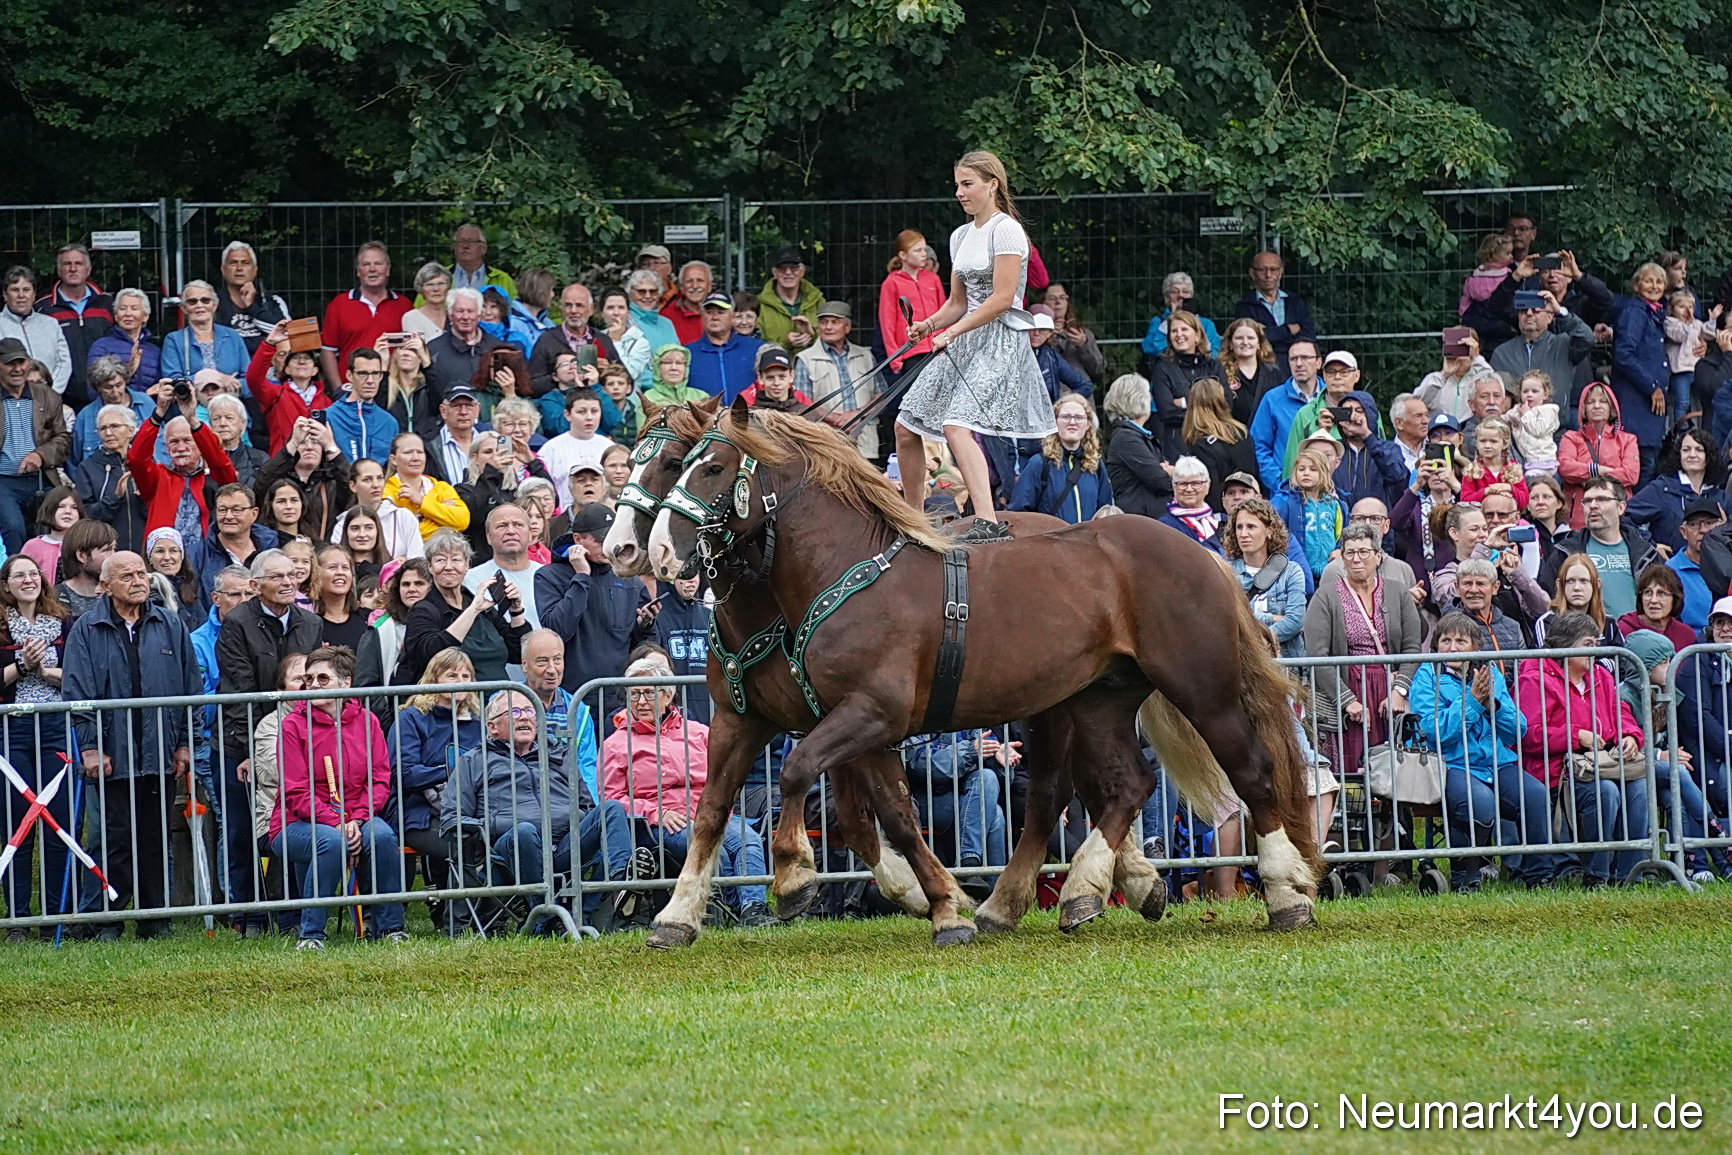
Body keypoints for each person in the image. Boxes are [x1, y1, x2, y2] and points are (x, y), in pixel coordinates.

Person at [894, 152, 1056, 541]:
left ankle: (986, 520)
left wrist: (952, 332)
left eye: (967, 184)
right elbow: (957, 302)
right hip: (965, 335)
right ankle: (914, 520)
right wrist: (928, 325)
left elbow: (1002, 298)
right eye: (958, 184)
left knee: (955, 425)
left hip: (1001, 341)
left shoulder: (1008, 230)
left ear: (992, 184)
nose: (959, 192)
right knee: (904, 427)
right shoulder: (960, 235)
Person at [62, 551, 199, 939]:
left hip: (159, 752)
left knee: (155, 837)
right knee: (114, 838)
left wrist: (185, 743)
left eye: (142, 573)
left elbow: (189, 686)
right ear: (105, 586)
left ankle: (155, 920)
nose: (139, 580)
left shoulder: (169, 623)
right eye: (127, 575)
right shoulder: (87, 628)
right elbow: (78, 692)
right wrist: (90, 747)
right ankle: (105, 918)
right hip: (112, 752)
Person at [602, 655, 775, 926]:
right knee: (710, 850)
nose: (642, 701)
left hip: (710, 813)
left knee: (747, 839)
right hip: (663, 823)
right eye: (634, 694)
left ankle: (754, 910)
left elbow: (723, 777)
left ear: (668, 695)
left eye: (650, 692)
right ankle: (729, 912)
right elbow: (611, 800)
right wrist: (654, 811)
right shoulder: (616, 744)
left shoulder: (699, 733)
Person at [446, 687, 634, 929]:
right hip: (508, 853)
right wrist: (493, 824)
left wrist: (573, 818)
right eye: (514, 711)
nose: (524, 717)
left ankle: (619, 888)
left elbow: (587, 804)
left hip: (565, 846)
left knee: (611, 809)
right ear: (492, 726)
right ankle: (545, 920)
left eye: (529, 711)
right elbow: (452, 818)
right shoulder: (473, 761)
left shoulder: (558, 755)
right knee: (524, 830)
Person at [212, 548, 323, 933]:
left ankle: (294, 914)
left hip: (301, 740)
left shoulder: (311, 623)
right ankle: (248, 915)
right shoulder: (237, 623)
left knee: (295, 824)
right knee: (245, 831)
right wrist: (247, 752)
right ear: (256, 586)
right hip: (238, 742)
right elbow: (238, 689)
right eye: (278, 577)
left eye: (292, 574)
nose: (288, 581)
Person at [270, 644, 406, 948]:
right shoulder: (292, 725)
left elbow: (380, 779)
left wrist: (356, 819)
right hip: (297, 823)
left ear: (345, 683)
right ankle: (311, 934)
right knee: (330, 842)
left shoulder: (367, 722)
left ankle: (390, 928)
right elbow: (296, 791)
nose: (313, 685)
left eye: (322, 679)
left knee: (383, 836)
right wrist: (337, 822)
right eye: (308, 679)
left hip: (356, 816)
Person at [1408, 611, 1556, 891]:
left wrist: (1494, 706)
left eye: (1461, 641)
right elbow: (1434, 733)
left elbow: (1518, 730)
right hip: (1453, 765)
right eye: (1446, 640)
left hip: (1498, 764)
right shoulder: (1427, 676)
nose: (1452, 647)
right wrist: (1473, 702)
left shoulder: (1492, 674)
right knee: (1480, 803)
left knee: (1535, 797)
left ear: (1476, 647)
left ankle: (1538, 876)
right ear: (1435, 645)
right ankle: (1466, 880)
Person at [1517, 612, 1650, 888]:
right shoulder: (1534, 678)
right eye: (1588, 644)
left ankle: (1629, 873)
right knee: (1606, 791)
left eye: (1596, 643)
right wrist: (1575, 736)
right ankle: (1596, 874)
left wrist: (1630, 736)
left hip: (1603, 763)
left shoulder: (1600, 675)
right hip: (1558, 770)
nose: (1596, 650)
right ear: (1565, 645)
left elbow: (1621, 713)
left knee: (1639, 784)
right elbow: (1529, 735)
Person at [1303, 522, 1423, 778]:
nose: (1356, 559)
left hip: (1388, 692)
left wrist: (1399, 691)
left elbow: (1412, 646)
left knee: (1392, 766)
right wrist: (1347, 701)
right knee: (1350, 767)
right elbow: (1317, 655)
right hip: (1347, 688)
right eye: (1350, 553)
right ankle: (1351, 817)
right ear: (1342, 558)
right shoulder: (1325, 596)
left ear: (1378, 556)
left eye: (1364, 552)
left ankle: (1392, 818)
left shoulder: (1398, 592)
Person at [0, 555, 72, 931]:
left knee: (58, 821)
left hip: (55, 726)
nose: (28, 580)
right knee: (17, 824)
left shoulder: (62, 621)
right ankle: (17, 918)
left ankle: (53, 916)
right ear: (6, 584)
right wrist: (22, 667)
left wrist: (46, 671)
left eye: (33, 573)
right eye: (19, 575)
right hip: (11, 730)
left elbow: (76, 677)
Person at [385, 646, 483, 905]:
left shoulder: (478, 723)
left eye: (465, 676)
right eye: (451, 675)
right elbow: (402, 774)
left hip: (470, 808)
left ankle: (484, 917)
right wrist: (451, 771)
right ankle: (457, 920)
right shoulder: (411, 718)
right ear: (434, 678)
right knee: (465, 846)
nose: (459, 682)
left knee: (495, 839)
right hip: (416, 812)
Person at [535, 504, 656, 695]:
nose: (609, 546)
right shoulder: (548, 576)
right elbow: (556, 630)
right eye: (600, 540)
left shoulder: (630, 580)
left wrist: (645, 625)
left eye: (612, 537)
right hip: (573, 698)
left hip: (621, 699)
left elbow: (647, 645)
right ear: (577, 539)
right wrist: (582, 577)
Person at [400, 529, 529, 685]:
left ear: (467, 565)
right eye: (440, 560)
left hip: (498, 701)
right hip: (455, 703)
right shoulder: (423, 610)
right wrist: (473, 610)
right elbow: (429, 654)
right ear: (430, 567)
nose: (449, 567)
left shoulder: (481, 607)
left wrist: (516, 611)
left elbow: (517, 653)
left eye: (455, 560)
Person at [1539, 476, 1661, 618]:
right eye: (1588, 501)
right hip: (1588, 636)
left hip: (1639, 636)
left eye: (1602, 499)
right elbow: (1548, 603)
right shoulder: (1565, 553)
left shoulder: (1646, 553)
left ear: (1621, 507)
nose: (1593, 506)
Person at [126, 381, 235, 541]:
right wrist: (159, 413)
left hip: (207, 557)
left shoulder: (213, 478)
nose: (181, 448)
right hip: (164, 558)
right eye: (174, 442)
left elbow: (221, 464)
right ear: (167, 447)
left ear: (199, 443)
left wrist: (193, 420)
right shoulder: (158, 477)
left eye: (187, 440)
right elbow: (136, 460)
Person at [0, 338, 72, 554]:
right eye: (10, 363)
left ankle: (59, 577)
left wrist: (40, 455)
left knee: (61, 522)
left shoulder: (47, 396)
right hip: (4, 481)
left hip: (42, 478)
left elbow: (63, 439)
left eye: (21, 362)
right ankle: (14, 579)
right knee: (13, 527)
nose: (17, 368)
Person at [319, 242, 414, 394]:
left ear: (387, 270)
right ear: (358, 271)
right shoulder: (339, 304)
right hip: (351, 391)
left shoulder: (404, 306)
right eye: (366, 264)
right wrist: (338, 389)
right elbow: (328, 351)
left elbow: (412, 350)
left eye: (378, 263)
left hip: (393, 391)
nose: (372, 269)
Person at [1608, 262, 1671, 483]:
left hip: (1649, 406)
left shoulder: (1658, 314)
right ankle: (1635, 515)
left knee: (1649, 463)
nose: (1654, 286)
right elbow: (1623, 355)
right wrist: (1652, 386)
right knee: (1641, 464)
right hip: (1636, 402)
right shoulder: (1634, 312)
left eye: (1659, 281)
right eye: (1648, 280)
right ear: (1636, 285)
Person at [1008, 393, 1113, 524]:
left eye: (1079, 417)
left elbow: (1106, 515)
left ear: (1088, 424)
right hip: (1051, 543)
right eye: (1065, 417)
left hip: (1087, 544)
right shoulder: (1040, 464)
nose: (1072, 422)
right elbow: (1018, 515)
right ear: (1055, 422)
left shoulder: (1095, 467)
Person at [1223, 497, 1306, 657]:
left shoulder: (1291, 571)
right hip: (1245, 667)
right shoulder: (1227, 573)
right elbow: (1228, 621)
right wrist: (1272, 618)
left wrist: (1260, 637)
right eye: (1239, 527)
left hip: (1287, 667)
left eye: (1251, 527)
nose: (1243, 534)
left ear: (1269, 531)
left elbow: (1296, 621)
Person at [795, 302, 880, 457]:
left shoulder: (865, 356)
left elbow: (881, 396)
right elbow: (801, 404)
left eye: (835, 322)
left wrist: (858, 414)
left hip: (865, 441)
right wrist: (834, 419)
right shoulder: (805, 359)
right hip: (825, 443)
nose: (828, 327)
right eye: (823, 322)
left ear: (847, 327)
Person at [1486, 286, 1594, 408]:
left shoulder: (1563, 345)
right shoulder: (1501, 353)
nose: (1529, 314)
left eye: (1536, 310)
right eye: (1523, 310)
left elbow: (1587, 338)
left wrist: (1560, 311)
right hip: (1515, 423)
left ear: (1549, 317)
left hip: (1556, 424)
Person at [31, 243, 112, 401]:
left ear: (88, 270)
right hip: (61, 397)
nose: (73, 269)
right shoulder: (43, 308)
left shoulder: (107, 303)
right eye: (67, 264)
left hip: (105, 393)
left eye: (79, 264)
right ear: (59, 270)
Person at [1626, 426, 1727, 552]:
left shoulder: (1721, 497)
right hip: (1668, 567)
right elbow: (1623, 517)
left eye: (1699, 450)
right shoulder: (1661, 489)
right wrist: (1649, 545)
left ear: (1709, 456)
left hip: (1713, 569)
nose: (1692, 455)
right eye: (1686, 450)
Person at [254, 417, 351, 541]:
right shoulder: (279, 481)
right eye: (303, 442)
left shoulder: (332, 482)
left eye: (316, 442)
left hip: (324, 553)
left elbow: (352, 488)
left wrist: (330, 445)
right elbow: (261, 484)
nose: (309, 447)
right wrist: (293, 442)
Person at [1557, 384, 1640, 528]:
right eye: (1590, 402)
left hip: (1617, 517)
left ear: (1612, 407)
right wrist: (1600, 470)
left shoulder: (1627, 439)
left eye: (1603, 401)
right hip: (1579, 517)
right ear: (1583, 408)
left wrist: (1587, 475)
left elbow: (1631, 474)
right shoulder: (1570, 437)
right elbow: (1565, 468)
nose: (1596, 406)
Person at [1248, 338, 1322, 493]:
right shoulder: (1273, 399)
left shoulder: (1331, 398)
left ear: (1319, 363)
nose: (1299, 363)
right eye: (1294, 359)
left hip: (1328, 489)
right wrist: (1280, 481)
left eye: (1306, 358)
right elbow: (1258, 446)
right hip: (1287, 492)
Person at [72, 403, 146, 555]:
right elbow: (85, 515)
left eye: (114, 426)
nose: (108, 432)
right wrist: (114, 497)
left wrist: (145, 498)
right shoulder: (88, 468)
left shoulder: (145, 464)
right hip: (106, 553)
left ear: (131, 430)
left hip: (144, 550)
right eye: (103, 428)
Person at [1176, 378, 1256, 512]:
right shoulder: (1241, 431)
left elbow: (1211, 492)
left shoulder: (1201, 445)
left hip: (1222, 515)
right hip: (1249, 506)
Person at [527, 282, 620, 394]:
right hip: (560, 405)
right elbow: (531, 385)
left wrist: (608, 371)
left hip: (597, 404)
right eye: (568, 305)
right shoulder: (547, 339)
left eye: (579, 305)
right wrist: (559, 376)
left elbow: (626, 380)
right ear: (562, 309)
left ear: (591, 309)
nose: (573, 311)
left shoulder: (603, 340)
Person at [1147, 310, 1216, 459]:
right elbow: (1166, 412)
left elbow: (1225, 404)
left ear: (1197, 336)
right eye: (1174, 331)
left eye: (1184, 329)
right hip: (1176, 445)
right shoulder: (1162, 368)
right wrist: (1205, 408)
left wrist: (1183, 402)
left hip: (1212, 443)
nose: (1179, 334)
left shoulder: (1213, 366)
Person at [464, 504, 544, 631]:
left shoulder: (549, 576)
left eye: (518, 524)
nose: (511, 531)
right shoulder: (469, 580)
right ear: (488, 537)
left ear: (530, 534)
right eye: (502, 526)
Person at [1271, 447, 1346, 582]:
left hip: (1330, 573)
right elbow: (1277, 534)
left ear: (1323, 472)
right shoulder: (1287, 503)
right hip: (1298, 573)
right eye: (1301, 469)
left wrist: (1340, 549)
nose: (1306, 473)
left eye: (1313, 469)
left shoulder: (1335, 505)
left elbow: (1345, 533)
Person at [880, 229, 946, 382]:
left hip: (938, 348)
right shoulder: (891, 283)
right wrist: (895, 357)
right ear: (903, 255)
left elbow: (945, 311)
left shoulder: (933, 279)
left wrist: (946, 339)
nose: (924, 254)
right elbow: (887, 322)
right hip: (911, 352)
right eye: (918, 250)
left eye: (924, 249)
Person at [1101, 373, 1170, 518]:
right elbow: (1161, 481)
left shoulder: (1135, 435)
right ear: (1139, 400)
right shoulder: (1126, 438)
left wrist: (1169, 470)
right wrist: (1171, 472)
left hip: (1144, 518)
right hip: (1138, 522)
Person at [1233, 252, 1314, 372]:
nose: (1268, 275)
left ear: (1281, 273)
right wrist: (1288, 330)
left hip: (1297, 365)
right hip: (1263, 367)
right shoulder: (1245, 306)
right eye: (1262, 270)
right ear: (1252, 273)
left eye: (1273, 269)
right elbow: (1254, 338)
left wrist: (1270, 332)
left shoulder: (1295, 302)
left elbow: (1309, 335)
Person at [159, 279, 249, 382]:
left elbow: (249, 379)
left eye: (205, 300)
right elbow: (173, 381)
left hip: (231, 396)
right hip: (192, 397)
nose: (199, 305)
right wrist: (216, 378)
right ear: (184, 308)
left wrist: (234, 385)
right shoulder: (173, 340)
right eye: (192, 302)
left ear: (215, 305)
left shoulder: (233, 336)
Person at [384, 432, 470, 541]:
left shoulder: (442, 487)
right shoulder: (386, 492)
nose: (415, 458)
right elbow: (397, 536)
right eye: (408, 452)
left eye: (420, 452)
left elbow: (463, 521)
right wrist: (443, 519)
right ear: (394, 459)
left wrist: (421, 501)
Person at [539, 387, 614, 509]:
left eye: (594, 411)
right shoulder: (551, 449)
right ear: (567, 415)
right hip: (564, 519)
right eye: (582, 412)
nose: (589, 417)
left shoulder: (609, 447)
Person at [1, 268, 72, 396]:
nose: (21, 295)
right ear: (5, 295)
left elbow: (64, 364)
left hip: (49, 401)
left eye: (26, 290)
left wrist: (48, 394)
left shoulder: (51, 324)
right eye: (15, 290)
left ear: (34, 295)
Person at [211, 241, 290, 353]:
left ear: (255, 270)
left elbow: (285, 333)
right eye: (233, 263)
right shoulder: (212, 303)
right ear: (223, 270)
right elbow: (218, 342)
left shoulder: (272, 301)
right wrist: (264, 342)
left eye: (245, 263)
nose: (239, 268)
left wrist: (252, 307)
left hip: (269, 367)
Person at [655, 574, 713, 725]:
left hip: (708, 707)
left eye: (695, 574)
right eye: (684, 575)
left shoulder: (710, 617)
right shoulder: (657, 618)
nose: (691, 580)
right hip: (672, 711)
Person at [684, 292, 763, 403]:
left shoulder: (757, 349)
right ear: (702, 316)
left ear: (733, 316)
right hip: (704, 419)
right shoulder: (687, 353)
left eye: (721, 312)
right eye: (709, 312)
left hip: (748, 418)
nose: (715, 317)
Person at [325, 347, 397, 467]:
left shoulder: (389, 423)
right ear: (349, 375)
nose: (370, 380)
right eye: (363, 374)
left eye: (375, 374)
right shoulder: (329, 417)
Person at [372, 558, 432, 688]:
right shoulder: (379, 629)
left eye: (419, 583)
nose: (411, 589)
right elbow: (367, 683)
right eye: (405, 584)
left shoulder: (448, 621)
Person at [1415, 329, 1499, 422]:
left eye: (1464, 348)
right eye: (1454, 348)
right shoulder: (1436, 379)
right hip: (1441, 433)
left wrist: (1476, 358)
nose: (1459, 354)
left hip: (1473, 433)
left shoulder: (1480, 377)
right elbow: (1415, 405)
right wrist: (1444, 375)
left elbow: (1494, 385)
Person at [1217, 318, 1284, 427]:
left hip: (1265, 440)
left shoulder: (1274, 374)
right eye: (1239, 338)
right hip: (1231, 438)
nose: (1245, 342)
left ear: (1259, 343)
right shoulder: (1218, 372)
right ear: (1230, 343)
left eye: (1251, 338)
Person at [1615, 563, 1697, 651]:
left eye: (1661, 593)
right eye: (1648, 592)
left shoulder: (1686, 635)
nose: (1653, 600)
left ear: (1675, 598)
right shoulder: (1623, 631)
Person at [1668, 497, 1721, 631]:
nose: (1703, 530)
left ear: (1722, 528)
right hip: (1688, 646)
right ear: (1683, 532)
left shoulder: (1728, 567)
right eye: (1694, 524)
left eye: (1710, 523)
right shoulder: (1670, 572)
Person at [757, 247, 824, 352]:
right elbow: (755, 344)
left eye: (794, 267)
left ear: (802, 271)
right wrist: (785, 342)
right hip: (775, 367)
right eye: (782, 268)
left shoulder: (818, 301)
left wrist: (812, 336)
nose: (788, 272)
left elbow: (832, 339)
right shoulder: (759, 304)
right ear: (774, 273)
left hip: (812, 366)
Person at [144, 526, 204, 635]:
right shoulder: (145, 594)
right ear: (150, 558)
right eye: (159, 551)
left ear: (181, 556)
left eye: (173, 550)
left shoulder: (189, 589)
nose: (167, 557)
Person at [1458, 417, 1528, 509]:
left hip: (1509, 518)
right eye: (1482, 441)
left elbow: (1524, 501)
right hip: (1481, 519)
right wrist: (1486, 491)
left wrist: (1509, 488)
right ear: (1477, 443)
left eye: (1493, 441)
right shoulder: (1471, 470)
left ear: (1505, 444)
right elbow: (1465, 501)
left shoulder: (1513, 468)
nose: (1487, 446)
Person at [1154, 456, 1221, 551]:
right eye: (1182, 484)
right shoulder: (1164, 527)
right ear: (1174, 487)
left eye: (1196, 483)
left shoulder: (1218, 522)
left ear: (1208, 486)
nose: (1189, 489)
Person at [382, 332, 439, 443]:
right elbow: (379, 408)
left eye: (412, 350)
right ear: (395, 355)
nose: (406, 354)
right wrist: (383, 364)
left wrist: (426, 361)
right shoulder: (386, 385)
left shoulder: (428, 385)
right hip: (394, 448)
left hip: (425, 448)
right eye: (402, 348)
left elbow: (439, 401)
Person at [53, 518, 114, 620]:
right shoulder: (55, 598)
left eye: (114, 549)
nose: (113, 556)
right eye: (106, 550)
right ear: (81, 556)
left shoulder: (117, 593)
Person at [203, 393, 267, 489]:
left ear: (242, 423)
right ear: (211, 425)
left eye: (229, 418)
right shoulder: (203, 459)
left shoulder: (259, 458)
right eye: (216, 419)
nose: (223, 424)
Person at [21, 485, 80, 586]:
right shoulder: (32, 546)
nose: (68, 511)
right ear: (50, 510)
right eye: (61, 506)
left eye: (74, 507)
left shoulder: (86, 544)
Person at [626, 270, 681, 362]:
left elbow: (679, 356)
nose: (648, 296)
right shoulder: (624, 321)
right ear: (630, 294)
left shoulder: (667, 323)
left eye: (653, 291)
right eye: (641, 291)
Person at [740, 347, 811, 413]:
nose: (776, 383)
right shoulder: (748, 415)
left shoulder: (808, 412)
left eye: (782, 377)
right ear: (760, 378)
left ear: (791, 376)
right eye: (770, 377)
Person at [660, 261, 714, 347]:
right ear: (681, 287)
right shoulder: (667, 316)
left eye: (700, 281)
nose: (695, 286)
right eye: (689, 281)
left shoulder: (721, 314)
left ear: (709, 286)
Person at [1458, 233, 1513, 316]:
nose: (1512, 256)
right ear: (1494, 255)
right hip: (1500, 317)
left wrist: (1463, 313)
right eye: (1508, 253)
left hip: (1476, 316)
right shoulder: (1506, 277)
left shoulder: (1474, 277)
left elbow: (1466, 298)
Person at [642, 344, 706, 408]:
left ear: (686, 368)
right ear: (658, 368)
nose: (674, 368)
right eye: (667, 362)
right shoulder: (648, 398)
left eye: (679, 363)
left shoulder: (701, 397)